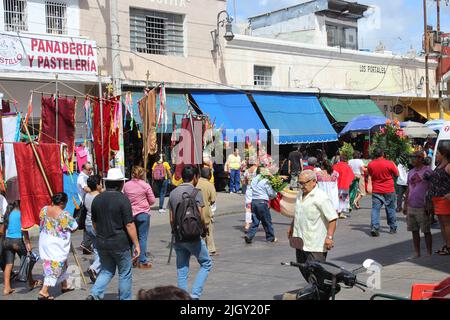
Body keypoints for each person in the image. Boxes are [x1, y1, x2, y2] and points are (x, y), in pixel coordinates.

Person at [87, 168, 140, 300]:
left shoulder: (97, 199)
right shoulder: (123, 199)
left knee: (107, 270)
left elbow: (94, 223)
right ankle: (125, 298)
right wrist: (137, 244)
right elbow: (129, 224)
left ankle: (94, 294)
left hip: (102, 241)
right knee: (124, 273)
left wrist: (101, 234)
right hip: (120, 242)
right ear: (120, 183)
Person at [286, 170, 338, 298]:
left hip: (315, 243)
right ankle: (317, 293)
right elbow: (298, 213)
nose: (301, 186)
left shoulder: (321, 197)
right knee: (304, 269)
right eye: (300, 183)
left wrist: (329, 237)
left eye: (304, 183)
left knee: (316, 274)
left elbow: (332, 219)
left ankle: (321, 294)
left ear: (314, 182)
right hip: (300, 240)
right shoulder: (300, 194)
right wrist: (291, 227)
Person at [168, 165, 212, 300]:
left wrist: (175, 231)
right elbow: (201, 216)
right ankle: (195, 295)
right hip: (193, 236)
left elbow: (171, 218)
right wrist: (204, 230)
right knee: (206, 263)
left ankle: (182, 298)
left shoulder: (173, 193)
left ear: (182, 177)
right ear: (195, 177)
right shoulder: (196, 192)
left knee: (182, 270)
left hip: (179, 236)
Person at [38, 193, 78, 300]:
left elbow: (41, 219)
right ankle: (44, 291)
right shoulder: (64, 215)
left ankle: (64, 285)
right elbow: (74, 228)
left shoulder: (44, 209)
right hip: (56, 244)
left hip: (45, 240)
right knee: (54, 265)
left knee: (62, 263)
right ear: (62, 203)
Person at [1, 201, 41, 296]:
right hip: (17, 241)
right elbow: (24, 229)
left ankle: (7, 288)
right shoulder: (21, 214)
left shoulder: (8, 213)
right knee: (27, 261)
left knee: (8, 264)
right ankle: (30, 282)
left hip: (7, 241)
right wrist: (27, 242)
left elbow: (3, 229)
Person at [124, 166, 156, 269]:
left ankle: (132, 258)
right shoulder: (145, 185)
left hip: (130, 213)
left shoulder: (126, 185)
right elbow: (152, 201)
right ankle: (142, 260)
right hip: (143, 213)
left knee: (132, 237)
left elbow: (124, 197)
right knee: (142, 238)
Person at [403, 151, 433, 258]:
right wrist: (405, 204)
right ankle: (417, 252)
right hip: (411, 205)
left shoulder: (428, 171)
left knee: (426, 231)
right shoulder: (410, 172)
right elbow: (408, 189)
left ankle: (429, 253)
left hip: (422, 206)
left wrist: (430, 203)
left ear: (420, 158)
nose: (412, 159)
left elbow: (432, 188)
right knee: (414, 230)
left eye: (414, 157)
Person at [367, 148, 399, 237]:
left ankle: (375, 227)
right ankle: (392, 227)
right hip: (389, 189)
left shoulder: (370, 164)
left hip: (377, 189)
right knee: (390, 209)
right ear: (383, 153)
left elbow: (369, 174)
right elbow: (397, 174)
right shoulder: (389, 163)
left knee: (375, 209)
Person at [426, 141, 450, 255]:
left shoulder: (448, 166)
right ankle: (447, 245)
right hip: (437, 199)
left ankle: (449, 246)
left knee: (446, 224)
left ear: (444, 154)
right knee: (442, 224)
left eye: (438, 153)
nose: (435, 155)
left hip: (444, 199)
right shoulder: (439, 165)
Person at [244, 166, 278, 244]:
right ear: (262, 172)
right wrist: (275, 194)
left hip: (254, 201)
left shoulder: (254, 180)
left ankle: (249, 235)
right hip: (262, 202)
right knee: (267, 221)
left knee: (255, 221)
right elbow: (270, 193)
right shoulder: (265, 181)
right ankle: (271, 237)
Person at [84, 175, 103, 282]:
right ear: (97, 185)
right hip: (97, 225)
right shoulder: (99, 197)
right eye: (100, 183)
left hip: (88, 224)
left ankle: (96, 271)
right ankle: (94, 268)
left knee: (96, 248)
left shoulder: (87, 196)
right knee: (104, 249)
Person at [196, 167, 218, 256]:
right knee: (208, 230)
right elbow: (213, 200)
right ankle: (210, 249)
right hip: (205, 211)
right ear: (209, 175)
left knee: (197, 230)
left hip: (195, 211)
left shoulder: (195, 183)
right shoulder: (210, 185)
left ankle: (197, 248)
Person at [77, 162, 93, 254]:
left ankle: (86, 244)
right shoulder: (82, 177)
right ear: (83, 169)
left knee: (87, 223)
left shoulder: (86, 176)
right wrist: (95, 191)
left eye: (91, 169)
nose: (90, 171)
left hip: (87, 202)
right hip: (84, 203)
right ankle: (86, 244)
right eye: (89, 169)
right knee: (88, 223)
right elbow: (85, 188)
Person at [333, 155, 355, 219]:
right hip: (345, 185)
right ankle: (341, 212)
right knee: (343, 198)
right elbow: (351, 175)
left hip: (336, 185)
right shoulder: (347, 166)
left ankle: (337, 211)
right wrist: (350, 182)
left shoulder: (335, 166)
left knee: (337, 198)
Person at [243, 160, 258, 232]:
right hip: (257, 190)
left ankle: (247, 224)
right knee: (257, 207)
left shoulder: (247, 171)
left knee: (248, 208)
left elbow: (244, 182)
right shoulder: (258, 170)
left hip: (249, 190)